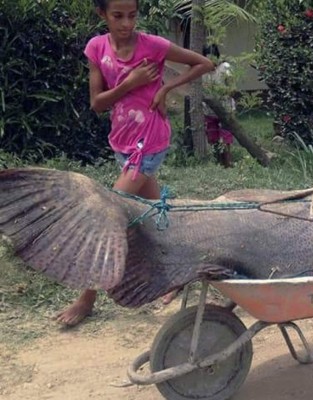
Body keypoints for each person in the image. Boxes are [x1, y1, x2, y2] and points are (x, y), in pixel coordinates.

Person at [55, 0, 215, 326]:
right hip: (123, 143)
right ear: (102, 14)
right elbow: (97, 103)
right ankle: (182, 273)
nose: (126, 23)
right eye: (117, 16)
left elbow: (204, 63)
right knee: (158, 215)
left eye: (132, 15)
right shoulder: (96, 48)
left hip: (149, 143)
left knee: (107, 216)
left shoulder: (152, 45)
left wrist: (166, 87)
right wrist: (131, 83)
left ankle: (87, 298)